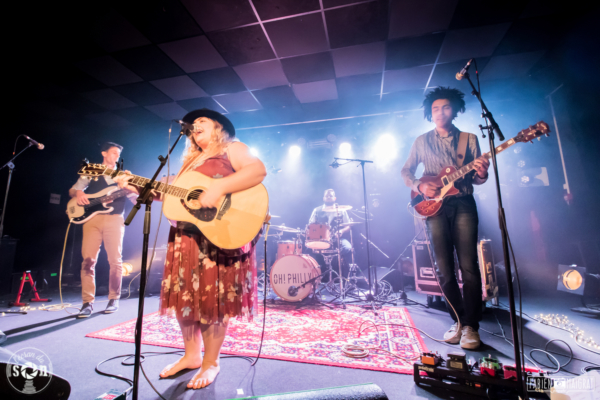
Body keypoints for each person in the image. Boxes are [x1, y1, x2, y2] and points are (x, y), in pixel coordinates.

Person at [114, 108, 266, 389]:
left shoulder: (232, 148)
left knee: (212, 301)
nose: (195, 125)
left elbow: (257, 171)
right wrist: (133, 187)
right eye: (192, 124)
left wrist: (219, 188)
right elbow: (172, 197)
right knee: (185, 297)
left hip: (219, 236)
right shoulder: (190, 163)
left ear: (219, 127)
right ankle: (191, 355)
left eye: (202, 121)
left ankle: (211, 362)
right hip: (185, 236)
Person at [400, 87, 490, 350]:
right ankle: (458, 321)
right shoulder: (421, 141)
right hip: (434, 207)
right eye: (435, 109)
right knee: (443, 269)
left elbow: (477, 179)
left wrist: (482, 174)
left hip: (463, 202)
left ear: (455, 110)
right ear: (430, 113)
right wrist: (419, 185)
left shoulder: (469, 139)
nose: (440, 112)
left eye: (446, 107)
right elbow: (406, 170)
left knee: (469, 266)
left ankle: (472, 326)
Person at [69, 142, 135, 318]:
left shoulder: (123, 176)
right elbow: (73, 189)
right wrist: (79, 193)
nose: (117, 157)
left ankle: (114, 299)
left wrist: (133, 190)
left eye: (118, 154)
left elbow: (135, 198)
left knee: (115, 261)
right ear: (104, 153)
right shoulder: (92, 170)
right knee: (88, 261)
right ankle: (87, 302)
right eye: (113, 153)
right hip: (92, 220)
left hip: (115, 219)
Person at [308, 189, 353, 277]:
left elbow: (348, 225)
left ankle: (347, 278)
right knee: (308, 250)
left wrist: (341, 231)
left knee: (348, 248)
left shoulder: (341, 210)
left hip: (338, 239)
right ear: (323, 198)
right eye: (327, 196)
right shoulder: (317, 210)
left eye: (331, 196)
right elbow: (310, 225)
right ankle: (315, 277)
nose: (328, 197)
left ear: (335, 198)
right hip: (321, 240)